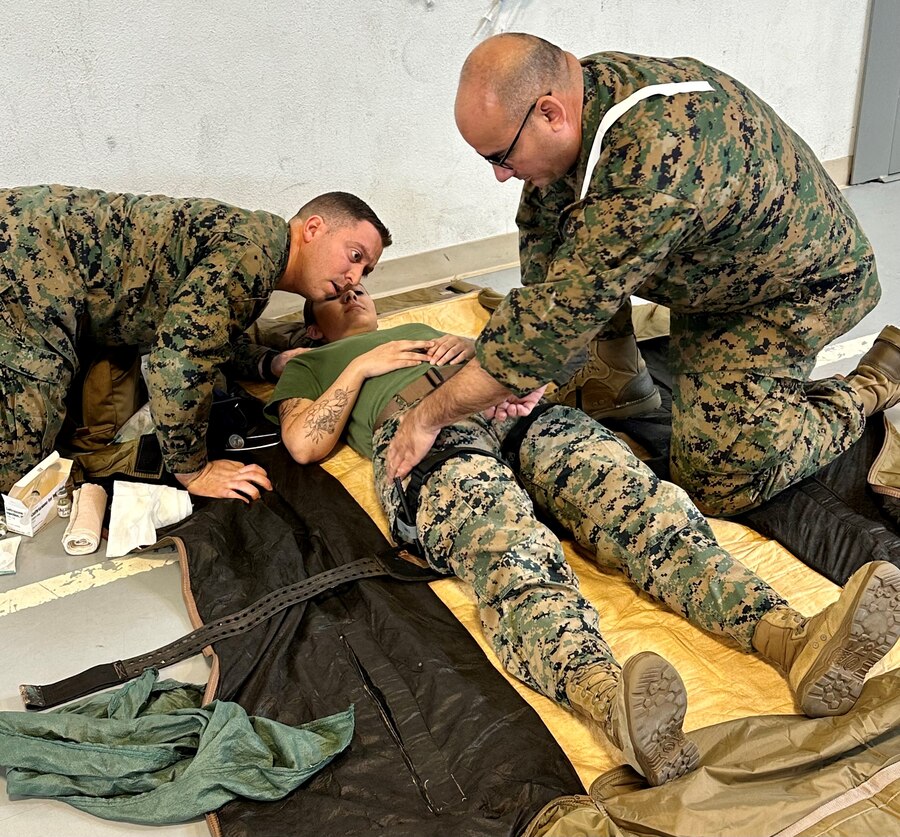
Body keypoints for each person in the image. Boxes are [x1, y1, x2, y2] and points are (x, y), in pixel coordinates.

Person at [265, 284, 900, 786]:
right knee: (510, 551)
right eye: (336, 293)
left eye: (362, 284)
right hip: (421, 437)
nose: (353, 291)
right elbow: (303, 441)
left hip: (511, 409)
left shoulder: (435, 329)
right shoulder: (317, 363)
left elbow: (533, 355)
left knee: (641, 505)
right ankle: (614, 706)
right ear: (313, 327)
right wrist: (360, 365)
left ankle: (793, 640)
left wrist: (484, 355)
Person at [386, 33, 900, 517]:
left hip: (793, 290)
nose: (500, 175)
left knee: (721, 483)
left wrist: (431, 415)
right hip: (714, 262)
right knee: (558, 266)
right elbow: (546, 252)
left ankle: (873, 384)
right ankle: (611, 376)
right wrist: (531, 363)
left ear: (549, 112)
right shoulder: (588, 92)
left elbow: (562, 310)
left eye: (501, 157)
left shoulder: (649, 166)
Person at [0, 185, 390, 500]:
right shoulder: (250, 259)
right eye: (354, 255)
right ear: (313, 229)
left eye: (367, 271)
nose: (355, 277)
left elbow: (201, 333)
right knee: (21, 480)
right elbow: (179, 361)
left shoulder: (257, 248)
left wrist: (267, 363)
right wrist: (193, 469)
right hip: (26, 259)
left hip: (32, 245)